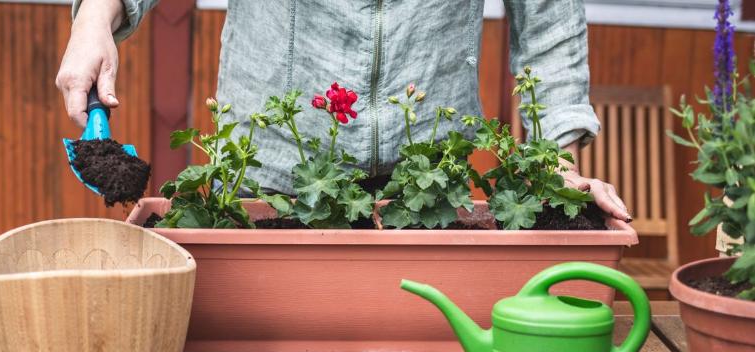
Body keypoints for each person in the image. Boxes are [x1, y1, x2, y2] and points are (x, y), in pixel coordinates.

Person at [56, 0, 631, 222]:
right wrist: (92, 21)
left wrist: (555, 164)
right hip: (270, 178)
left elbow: (550, 19)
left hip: (427, 189)